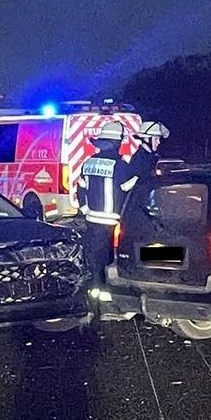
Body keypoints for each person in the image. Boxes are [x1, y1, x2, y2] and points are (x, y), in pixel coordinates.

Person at [76, 121, 137, 299]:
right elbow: (129, 190)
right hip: (112, 221)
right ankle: (107, 293)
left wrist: (85, 209)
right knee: (110, 257)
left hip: (92, 219)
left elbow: (80, 188)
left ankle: (95, 290)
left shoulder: (88, 163)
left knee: (95, 255)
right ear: (117, 143)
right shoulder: (120, 165)